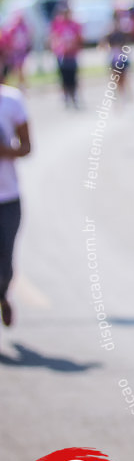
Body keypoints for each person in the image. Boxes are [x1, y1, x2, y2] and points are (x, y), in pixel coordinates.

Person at [0, 84, 31, 330]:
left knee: (4, 268)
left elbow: (27, 147)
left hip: (7, 198)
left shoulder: (11, 100)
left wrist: (5, 151)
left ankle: (2, 294)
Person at [49, 6, 83, 109]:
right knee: (63, 77)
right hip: (61, 55)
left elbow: (79, 38)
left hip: (72, 55)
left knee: (73, 77)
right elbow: (53, 37)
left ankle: (74, 96)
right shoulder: (57, 24)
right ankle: (66, 97)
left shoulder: (74, 24)